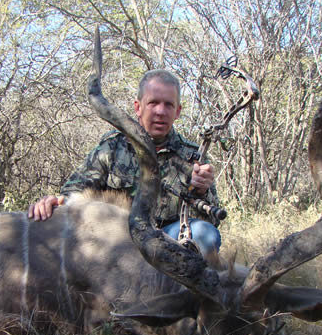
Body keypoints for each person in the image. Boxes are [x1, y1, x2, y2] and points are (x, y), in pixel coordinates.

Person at [28, 69, 221, 255]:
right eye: (153, 103)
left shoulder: (193, 155)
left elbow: (211, 220)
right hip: (119, 239)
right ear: (138, 107)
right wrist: (56, 201)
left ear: (178, 111)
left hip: (168, 241)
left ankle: (177, 288)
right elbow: (75, 192)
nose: (161, 111)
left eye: (168, 104)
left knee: (207, 235)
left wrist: (202, 190)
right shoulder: (112, 147)